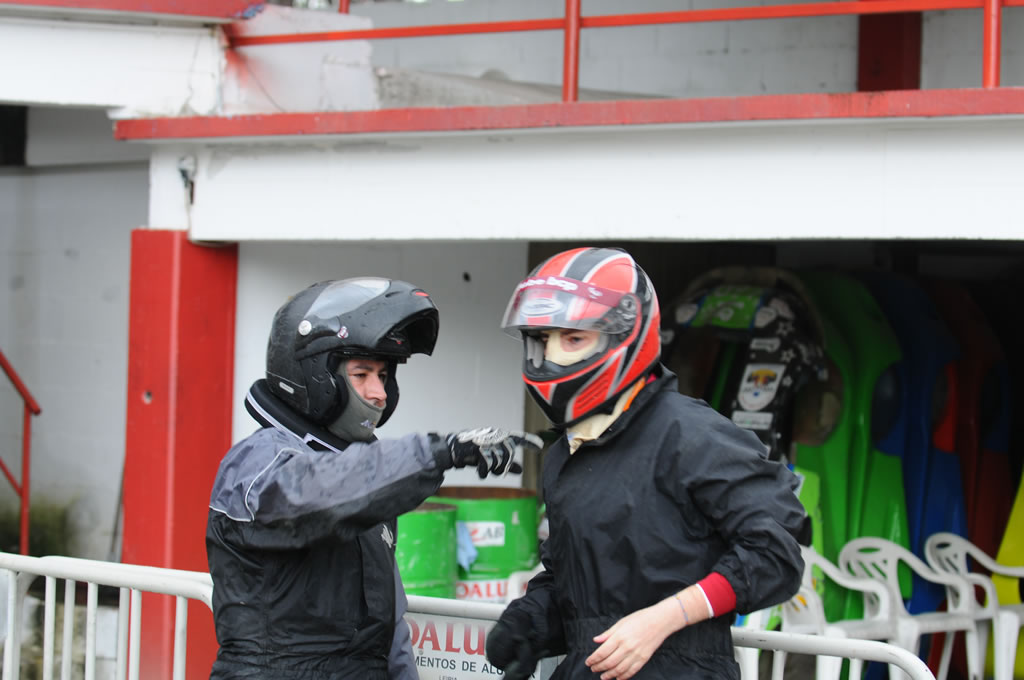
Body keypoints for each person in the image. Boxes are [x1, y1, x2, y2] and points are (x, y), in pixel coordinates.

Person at [485, 248, 808, 680]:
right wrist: (531, 620)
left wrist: (664, 618)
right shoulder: (567, 452)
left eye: (574, 339)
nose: (554, 357)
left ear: (624, 338)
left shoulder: (691, 435)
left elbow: (774, 554)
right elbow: (579, 581)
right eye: (543, 341)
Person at [206, 277, 542, 680]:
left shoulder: (367, 480)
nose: (379, 392)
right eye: (362, 374)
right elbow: (316, 493)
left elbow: (390, 629)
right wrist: (437, 452)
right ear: (314, 375)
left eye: (384, 376)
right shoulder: (257, 463)